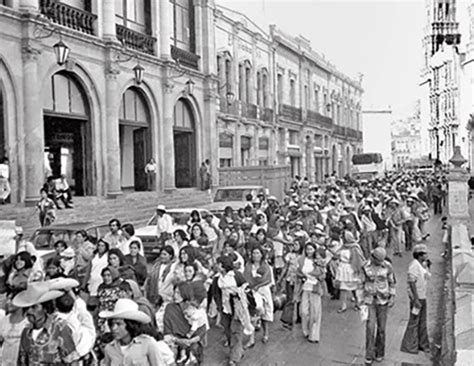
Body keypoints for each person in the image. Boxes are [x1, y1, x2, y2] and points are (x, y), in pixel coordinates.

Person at [13, 281, 81, 364]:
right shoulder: (26, 333)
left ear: (45, 308)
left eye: (34, 307)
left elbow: (73, 360)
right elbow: (22, 361)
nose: (29, 311)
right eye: (26, 308)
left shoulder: (59, 328)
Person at [100, 298, 168, 365]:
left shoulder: (148, 344)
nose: (114, 328)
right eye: (112, 324)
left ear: (130, 325)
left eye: (119, 324)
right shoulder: (109, 348)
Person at [361, 247, 396, 365]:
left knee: (381, 329)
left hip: (383, 300)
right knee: (370, 328)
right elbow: (360, 282)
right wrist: (360, 300)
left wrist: (392, 296)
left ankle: (380, 352)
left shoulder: (387, 266)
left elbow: (392, 282)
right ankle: (369, 354)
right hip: (369, 299)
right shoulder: (365, 266)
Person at [401, 244, 431, 355]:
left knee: (422, 321)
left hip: (423, 296)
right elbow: (412, 282)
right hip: (418, 297)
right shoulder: (414, 266)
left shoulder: (421, 265)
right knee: (414, 321)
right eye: (425, 254)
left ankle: (422, 344)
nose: (427, 255)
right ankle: (410, 345)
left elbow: (427, 276)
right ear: (419, 255)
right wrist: (416, 299)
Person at [243, 246, 273, 348]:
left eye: (258, 253)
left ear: (262, 255)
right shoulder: (248, 265)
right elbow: (245, 278)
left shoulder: (265, 266)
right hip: (252, 292)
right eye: (254, 253)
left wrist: (258, 286)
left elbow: (268, 280)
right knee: (253, 314)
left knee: (265, 314)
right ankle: (251, 339)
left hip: (263, 290)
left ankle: (266, 333)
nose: (256, 255)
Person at [296, 242, 326, 343]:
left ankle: (314, 335)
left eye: (311, 249)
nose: (309, 251)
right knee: (304, 312)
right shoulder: (301, 260)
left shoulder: (318, 261)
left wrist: (317, 275)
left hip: (315, 288)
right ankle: (306, 330)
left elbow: (322, 275)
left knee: (315, 313)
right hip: (305, 288)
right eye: (307, 249)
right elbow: (298, 272)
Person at [335, 231, 366, 313]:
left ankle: (357, 303)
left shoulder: (355, 248)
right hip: (343, 268)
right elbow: (336, 254)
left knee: (354, 288)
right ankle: (343, 305)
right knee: (343, 288)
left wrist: (358, 269)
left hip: (351, 269)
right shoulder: (343, 247)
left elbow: (359, 260)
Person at [0, 292, 29, 365]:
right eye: (8, 299)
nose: (8, 302)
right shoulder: (4, 320)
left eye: (12, 299)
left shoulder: (28, 322)